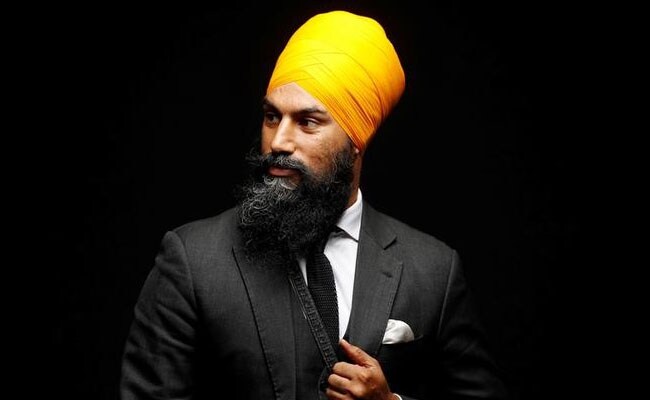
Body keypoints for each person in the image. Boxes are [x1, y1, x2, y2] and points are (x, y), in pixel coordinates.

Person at [119, 10, 509, 400]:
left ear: (356, 140)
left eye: (307, 122)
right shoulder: (193, 260)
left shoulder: (433, 270)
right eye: (272, 117)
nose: (279, 142)